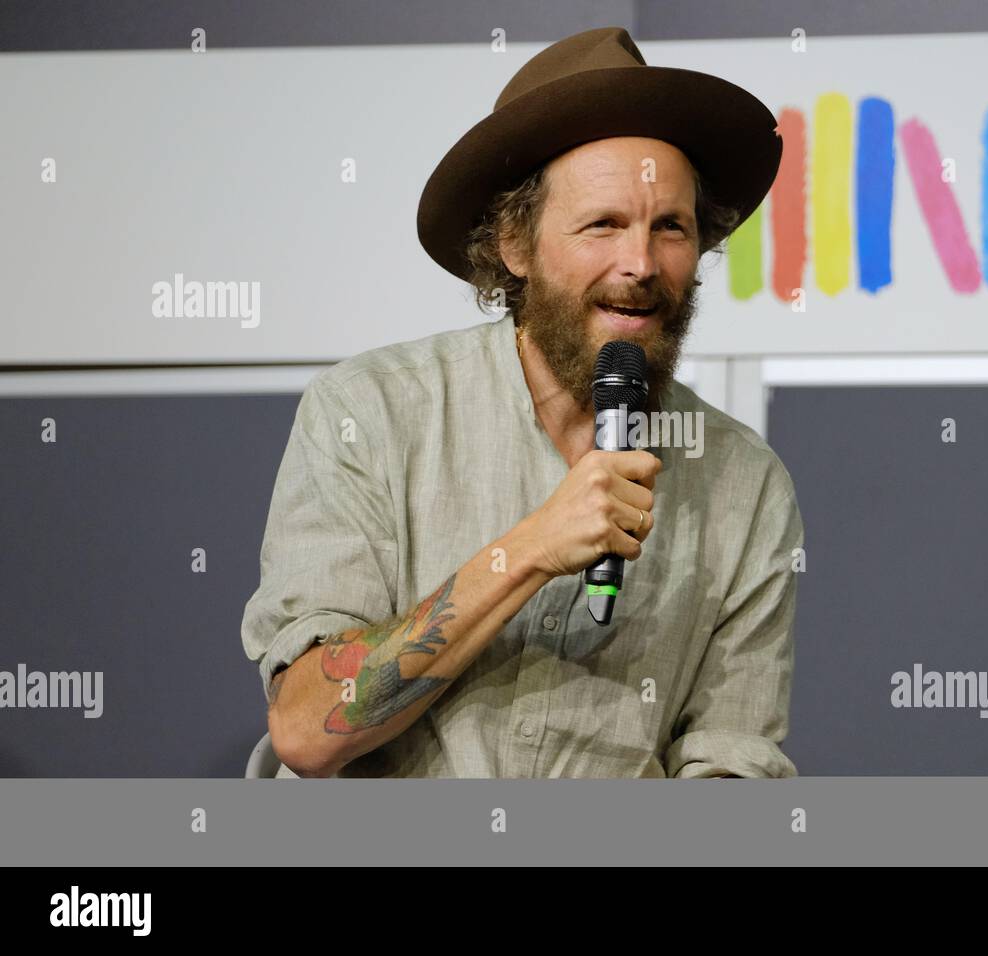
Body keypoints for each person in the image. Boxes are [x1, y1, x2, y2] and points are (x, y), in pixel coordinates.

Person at [241, 26, 803, 778]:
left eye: (669, 226)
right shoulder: (369, 412)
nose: (640, 263)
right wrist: (532, 548)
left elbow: (730, 764)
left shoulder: (744, 483)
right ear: (514, 243)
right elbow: (309, 728)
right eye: (602, 224)